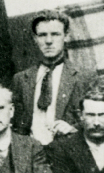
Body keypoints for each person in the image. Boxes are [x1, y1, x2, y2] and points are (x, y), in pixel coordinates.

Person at [10, 11, 93, 146]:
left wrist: (73, 129)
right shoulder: (21, 80)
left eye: (55, 34)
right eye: (42, 35)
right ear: (34, 39)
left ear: (66, 36)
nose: (48, 41)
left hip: (68, 152)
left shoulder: (84, 78)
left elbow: (96, 119)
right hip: (32, 156)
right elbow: (16, 125)